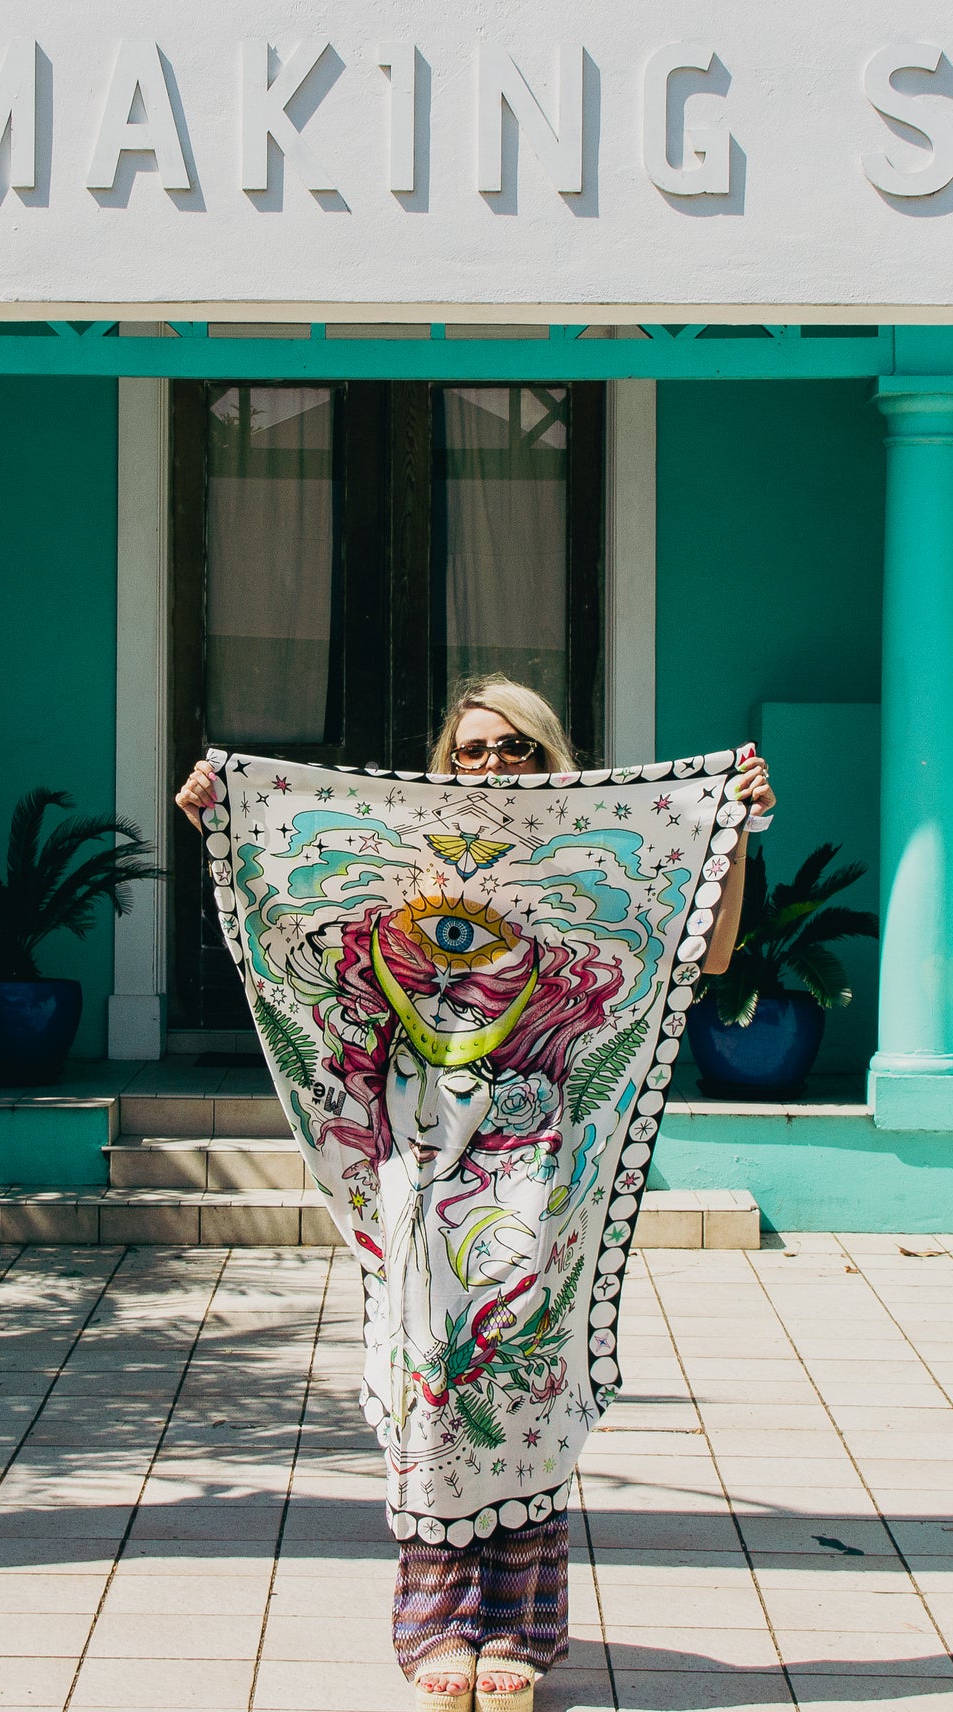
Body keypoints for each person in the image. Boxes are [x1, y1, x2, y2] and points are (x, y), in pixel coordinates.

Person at [179, 675, 774, 1711]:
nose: (490, 766)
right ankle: (438, 1618)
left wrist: (732, 831)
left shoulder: (593, 858)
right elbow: (298, 939)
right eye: (472, 748)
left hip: (544, 1153)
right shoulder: (404, 852)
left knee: (522, 1370)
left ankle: (522, 1621)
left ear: (553, 760)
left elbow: (703, 952)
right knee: (428, 1369)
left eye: (516, 750)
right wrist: (224, 817)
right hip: (418, 1152)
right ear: (445, 756)